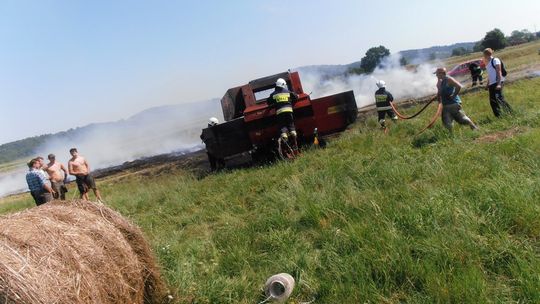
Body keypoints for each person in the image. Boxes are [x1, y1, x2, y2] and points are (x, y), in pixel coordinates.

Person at [435, 67, 478, 131]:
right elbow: (440, 91)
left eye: (437, 74)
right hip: (446, 105)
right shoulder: (441, 81)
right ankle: (451, 135)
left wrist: (453, 95)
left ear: (442, 73)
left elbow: (458, 86)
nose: (436, 75)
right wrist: (438, 97)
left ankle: (473, 127)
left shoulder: (449, 79)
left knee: (461, 119)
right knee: (446, 122)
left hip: (453, 104)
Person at [267, 78, 299, 153]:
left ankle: (284, 136)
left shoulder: (274, 94)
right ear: (283, 85)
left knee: (282, 125)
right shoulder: (287, 91)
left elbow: (268, 102)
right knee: (291, 123)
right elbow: (295, 97)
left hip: (280, 112)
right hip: (289, 111)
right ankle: (293, 133)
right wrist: (296, 97)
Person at [483, 48, 513, 117]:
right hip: (491, 84)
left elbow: (498, 71)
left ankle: (510, 113)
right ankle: (499, 116)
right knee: (493, 101)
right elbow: (490, 75)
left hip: (497, 82)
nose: (484, 56)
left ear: (486, 54)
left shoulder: (495, 60)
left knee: (499, 98)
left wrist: (499, 84)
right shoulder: (488, 63)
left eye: (484, 55)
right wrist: (487, 85)